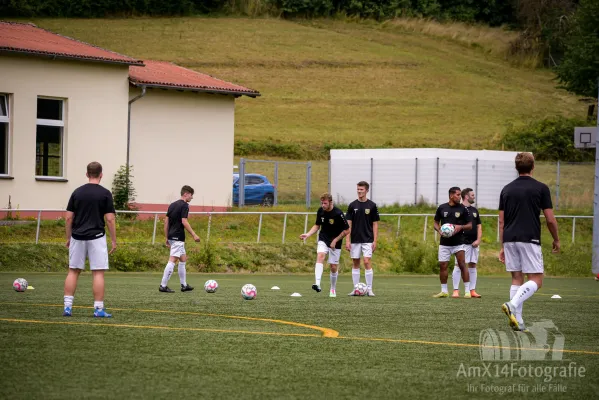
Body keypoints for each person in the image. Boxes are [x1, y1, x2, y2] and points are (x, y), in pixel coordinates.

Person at [500, 152, 559, 332]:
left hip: (509, 238)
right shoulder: (541, 188)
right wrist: (556, 239)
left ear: (516, 168)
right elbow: (550, 219)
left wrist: (502, 245)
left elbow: (501, 221)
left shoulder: (506, 189)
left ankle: (518, 321)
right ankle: (512, 304)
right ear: (533, 166)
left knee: (516, 278)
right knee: (537, 280)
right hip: (529, 238)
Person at [63, 161, 117, 318]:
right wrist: (113, 240)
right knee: (98, 273)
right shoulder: (105, 193)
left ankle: (67, 307)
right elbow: (110, 219)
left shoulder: (77, 192)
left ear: (87, 174)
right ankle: (98, 309)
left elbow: (68, 218)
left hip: (77, 237)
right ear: (101, 174)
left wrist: (68, 238)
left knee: (73, 271)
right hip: (97, 237)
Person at [300, 193, 350, 298]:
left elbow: (347, 230)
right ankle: (317, 283)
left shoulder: (338, 213)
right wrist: (308, 234)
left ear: (331, 202)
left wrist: (335, 240)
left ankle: (332, 288)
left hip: (336, 241)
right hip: (323, 238)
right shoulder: (320, 211)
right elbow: (317, 225)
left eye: (325, 203)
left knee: (333, 266)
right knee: (320, 256)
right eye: (322, 203)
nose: (323, 205)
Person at [159, 185, 201, 293]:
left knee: (183, 259)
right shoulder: (185, 205)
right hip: (178, 237)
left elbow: (166, 222)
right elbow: (184, 221)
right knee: (172, 259)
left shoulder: (172, 205)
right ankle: (163, 285)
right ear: (186, 194)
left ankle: (184, 285)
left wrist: (167, 236)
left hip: (172, 236)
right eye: (191, 195)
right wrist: (194, 235)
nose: (192, 198)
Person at [433, 187, 472, 298]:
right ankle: (444, 291)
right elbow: (435, 223)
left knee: (462, 264)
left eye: (460, 195)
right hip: (444, 243)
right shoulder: (442, 208)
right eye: (458, 195)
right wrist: (439, 230)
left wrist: (461, 227)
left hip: (459, 243)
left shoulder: (463, 209)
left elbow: (470, 225)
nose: (460, 197)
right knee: (443, 266)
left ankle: (467, 291)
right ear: (451, 195)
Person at [345, 181, 380, 296]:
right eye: (358, 189)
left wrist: (375, 240)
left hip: (368, 239)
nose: (359, 191)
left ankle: (369, 289)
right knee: (355, 262)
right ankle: (356, 288)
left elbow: (375, 224)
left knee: (366, 261)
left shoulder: (372, 206)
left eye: (361, 189)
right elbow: (348, 224)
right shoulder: (352, 205)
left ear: (367, 190)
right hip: (355, 239)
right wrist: (347, 240)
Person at [451, 188, 482, 298]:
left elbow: (479, 226)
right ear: (467, 196)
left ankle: (472, 290)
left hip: (473, 243)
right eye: (472, 195)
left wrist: (478, 240)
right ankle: (456, 290)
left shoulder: (474, 210)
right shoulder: (458, 210)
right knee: (459, 265)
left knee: (473, 265)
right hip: (461, 243)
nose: (474, 197)